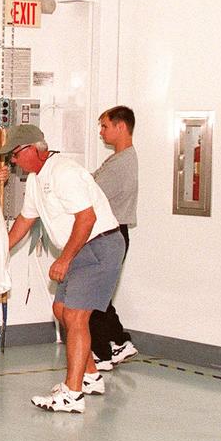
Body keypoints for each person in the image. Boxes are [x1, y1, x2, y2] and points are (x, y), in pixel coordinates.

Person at [0, 124, 125, 413]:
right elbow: (24, 220)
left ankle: (72, 394)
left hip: (99, 246)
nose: (13, 162)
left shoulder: (64, 172)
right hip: (81, 249)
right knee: (61, 311)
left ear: (34, 149)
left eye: (15, 155)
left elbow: (87, 218)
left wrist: (65, 258)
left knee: (75, 315)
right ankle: (90, 376)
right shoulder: (35, 180)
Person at [90, 106, 139, 369]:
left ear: (121, 127)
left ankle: (102, 352)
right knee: (101, 294)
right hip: (108, 233)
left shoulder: (121, 163)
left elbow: (91, 193)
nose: (101, 132)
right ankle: (118, 341)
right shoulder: (118, 159)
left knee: (94, 296)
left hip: (111, 233)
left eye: (105, 126)